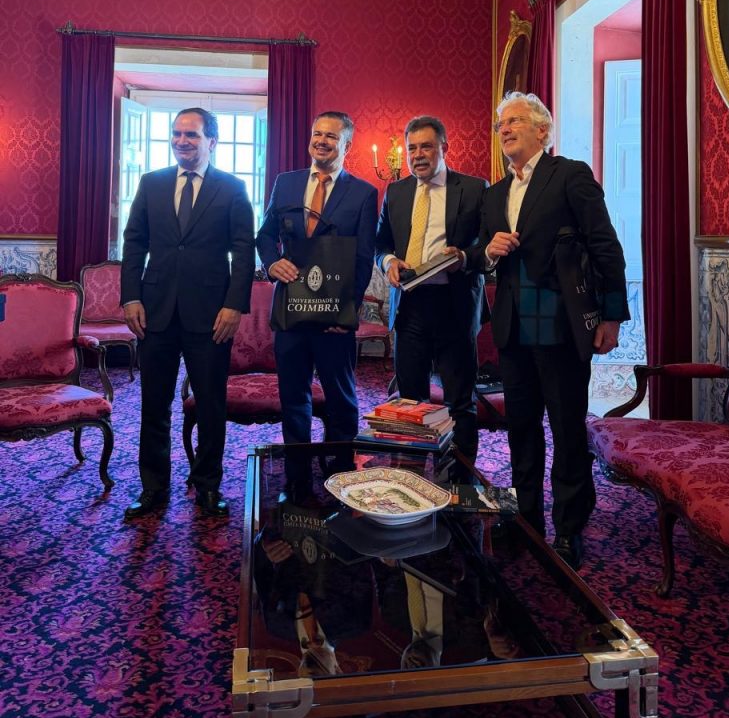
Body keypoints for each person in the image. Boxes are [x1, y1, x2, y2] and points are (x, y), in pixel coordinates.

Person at [468, 92, 629, 570]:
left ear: (543, 130)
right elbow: (478, 254)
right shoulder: (494, 194)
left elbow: (605, 245)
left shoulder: (570, 175)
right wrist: (488, 250)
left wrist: (611, 316)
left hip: (560, 327)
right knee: (521, 430)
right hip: (513, 329)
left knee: (566, 429)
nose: (504, 129)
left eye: (514, 121)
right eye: (500, 124)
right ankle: (526, 519)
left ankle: (570, 528)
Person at [121, 107, 255, 520]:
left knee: (211, 405)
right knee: (154, 404)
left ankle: (208, 485)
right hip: (155, 312)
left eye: (192, 135)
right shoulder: (151, 183)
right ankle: (153, 487)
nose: (182, 141)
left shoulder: (232, 188)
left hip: (212, 316)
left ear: (211, 141)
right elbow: (134, 243)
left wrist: (234, 305)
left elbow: (243, 252)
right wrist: (130, 297)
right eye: (177, 134)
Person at [256, 111, 377, 496]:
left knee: (341, 400)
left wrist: (349, 312)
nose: (322, 141)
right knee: (294, 399)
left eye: (331, 136)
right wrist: (271, 263)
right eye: (317, 134)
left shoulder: (363, 193)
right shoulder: (286, 182)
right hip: (291, 311)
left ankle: (341, 477)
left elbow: (363, 258)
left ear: (347, 145)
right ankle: (297, 481)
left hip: (334, 318)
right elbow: (265, 235)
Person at [375, 116, 487, 479]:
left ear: (444, 148)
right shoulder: (396, 191)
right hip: (410, 308)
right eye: (412, 148)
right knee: (410, 403)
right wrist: (388, 261)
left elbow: (486, 246)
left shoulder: (474, 189)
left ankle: (458, 484)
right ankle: (413, 481)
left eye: (426, 146)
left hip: (454, 307)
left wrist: (464, 256)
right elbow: (380, 244)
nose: (418, 155)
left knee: (460, 402)